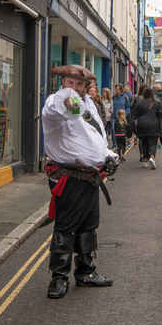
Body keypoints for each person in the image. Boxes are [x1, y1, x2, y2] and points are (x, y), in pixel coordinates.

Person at [42, 65, 118, 299]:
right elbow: (57, 108)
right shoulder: (55, 102)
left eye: (78, 84)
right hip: (69, 177)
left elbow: (95, 138)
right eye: (69, 83)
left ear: (87, 87)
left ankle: (85, 272)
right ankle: (59, 277)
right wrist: (67, 99)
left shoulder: (90, 107)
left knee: (88, 226)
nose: (73, 88)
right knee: (65, 228)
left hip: (90, 177)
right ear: (62, 83)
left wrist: (108, 156)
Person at [131, 87, 162, 170]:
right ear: (152, 94)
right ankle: (151, 157)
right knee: (153, 143)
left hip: (142, 125)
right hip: (154, 125)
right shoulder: (157, 103)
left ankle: (145, 160)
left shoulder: (140, 103)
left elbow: (134, 115)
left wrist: (132, 127)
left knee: (144, 142)